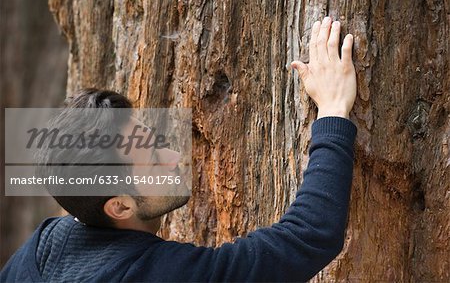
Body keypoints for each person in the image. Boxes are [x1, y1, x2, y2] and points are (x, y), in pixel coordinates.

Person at [1, 16, 357, 282]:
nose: (173, 158)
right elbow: (309, 237)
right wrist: (333, 111)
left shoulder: (42, 250)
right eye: (155, 161)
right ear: (120, 205)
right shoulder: (158, 274)